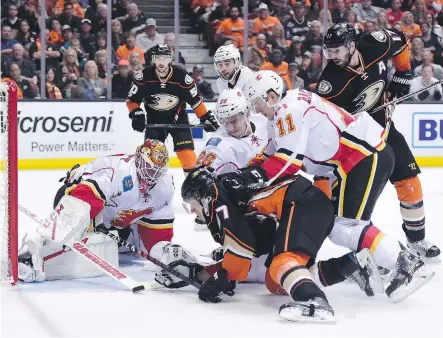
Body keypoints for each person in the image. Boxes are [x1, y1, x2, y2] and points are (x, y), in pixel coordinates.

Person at [223, 70, 434, 302]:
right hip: (354, 161)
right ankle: (380, 258)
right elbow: (271, 153)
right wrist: (242, 173)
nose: (256, 111)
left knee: (344, 226)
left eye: (257, 104)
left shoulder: (288, 110)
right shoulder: (284, 110)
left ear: (271, 97)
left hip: (363, 157)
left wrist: (249, 177)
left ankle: (403, 262)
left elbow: (288, 162)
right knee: (343, 224)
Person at [316, 23, 441, 259]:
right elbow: (326, 123)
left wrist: (403, 74)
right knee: (361, 199)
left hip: (384, 128)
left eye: (337, 50)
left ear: (351, 45)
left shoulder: (375, 43)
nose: (332, 56)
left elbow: (402, 41)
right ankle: (368, 247)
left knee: (410, 180)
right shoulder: (330, 83)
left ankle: (417, 239)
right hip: (357, 143)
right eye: (328, 51)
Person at [178, 167, 333, 322]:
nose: (191, 209)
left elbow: (240, 246)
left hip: (302, 202)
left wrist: (224, 277)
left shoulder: (216, 197)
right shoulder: (226, 195)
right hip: (310, 203)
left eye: (190, 202)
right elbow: (250, 247)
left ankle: (315, 300)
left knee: (284, 261)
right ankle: (344, 266)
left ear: (200, 195)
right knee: (274, 282)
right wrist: (202, 274)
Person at [18, 140, 176, 283]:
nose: (152, 176)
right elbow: (86, 195)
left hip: (113, 217)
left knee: (130, 249)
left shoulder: (165, 187)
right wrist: (87, 224)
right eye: (149, 169)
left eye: (157, 171)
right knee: (77, 237)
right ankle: (33, 254)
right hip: (75, 195)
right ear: (139, 160)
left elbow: (158, 229)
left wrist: (163, 253)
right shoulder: (120, 171)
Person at [126, 44, 219, 174]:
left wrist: (205, 117)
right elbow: (132, 100)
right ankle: (149, 189)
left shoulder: (181, 77)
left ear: (170, 59)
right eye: (158, 58)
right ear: (153, 59)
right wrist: (137, 113)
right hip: (154, 121)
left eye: (164, 58)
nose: (161, 62)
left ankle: (193, 185)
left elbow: (195, 100)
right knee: (151, 160)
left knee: (187, 156)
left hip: (178, 119)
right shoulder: (143, 77)